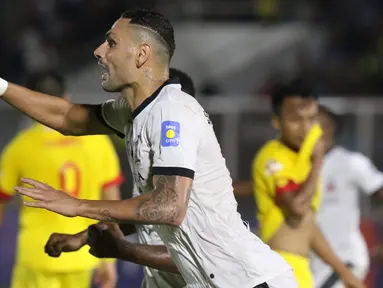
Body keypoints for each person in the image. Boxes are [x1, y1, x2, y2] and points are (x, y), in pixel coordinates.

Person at [0, 9, 297, 288]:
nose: (99, 51)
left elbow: (168, 206)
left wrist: (77, 206)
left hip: (251, 281)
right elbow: (66, 117)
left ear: (142, 55)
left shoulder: (172, 113)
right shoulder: (134, 113)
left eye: (112, 43)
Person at [45, 67, 195, 288]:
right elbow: (147, 217)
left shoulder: (192, 172)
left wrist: (123, 250)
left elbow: (193, 258)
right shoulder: (155, 157)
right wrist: (84, 236)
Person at [0, 71, 123, 288]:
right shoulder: (97, 142)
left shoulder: (20, 147)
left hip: (37, 254)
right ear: (66, 97)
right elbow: (111, 203)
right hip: (82, 253)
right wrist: (109, 259)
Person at [252, 80, 365, 288]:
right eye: (296, 120)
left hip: (302, 270)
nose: (304, 128)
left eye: (311, 119)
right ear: (277, 121)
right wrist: (318, 164)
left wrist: (345, 274)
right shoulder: (273, 157)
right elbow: (296, 209)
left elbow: (307, 226)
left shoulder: (303, 162)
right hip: (279, 269)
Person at [311, 105, 383, 288]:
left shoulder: (350, 162)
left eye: (321, 125)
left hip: (344, 260)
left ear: (331, 129)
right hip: (313, 264)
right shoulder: (297, 166)